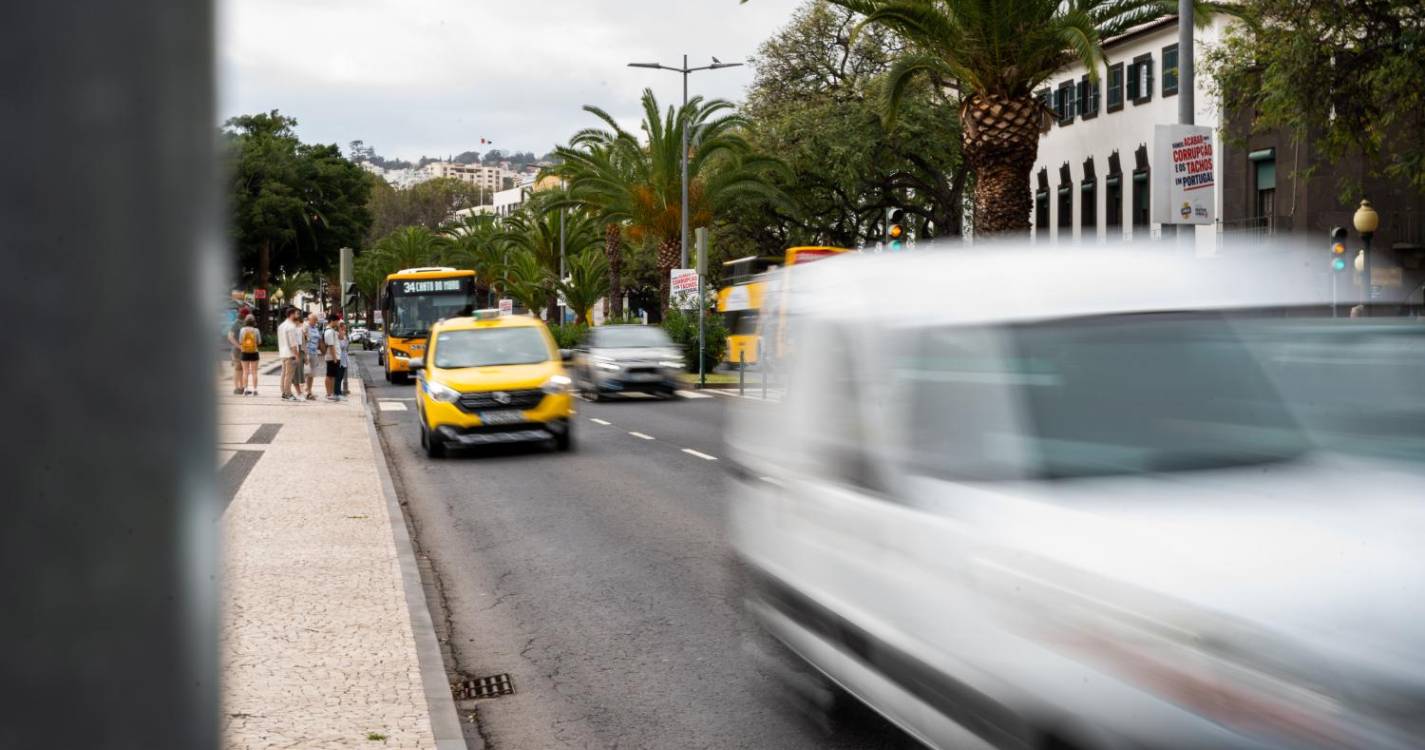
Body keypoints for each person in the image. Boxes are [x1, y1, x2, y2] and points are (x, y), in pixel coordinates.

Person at [277, 307, 302, 401]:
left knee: (284, 374)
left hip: (283, 353)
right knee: (289, 375)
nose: (298, 315)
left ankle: (283, 392)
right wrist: (297, 355)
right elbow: (293, 343)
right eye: (297, 313)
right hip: (290, 354)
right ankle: (288, 394)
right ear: (291, 314)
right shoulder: (291, 326)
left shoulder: (282, 325)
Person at [225, 306, 251, 395]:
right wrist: (239, 346)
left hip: (245, 350)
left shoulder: (245, 323)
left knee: (243, 369)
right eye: (248, 314)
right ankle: (237, 388)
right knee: (238, 369)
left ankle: (242, 387)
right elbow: (230, 336)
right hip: (237, 350)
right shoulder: (236, 323)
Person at [238, 314, 261, 395]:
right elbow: (259, 342)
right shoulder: (256, 330)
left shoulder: (242, 330)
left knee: (245, 372)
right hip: (254, 352)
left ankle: (245, 390)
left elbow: (240, 341)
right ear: (253, 321)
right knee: (254, 372)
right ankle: (255, 390)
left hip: (244, 352)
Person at [303, 312, 322, 401]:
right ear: (309, 319)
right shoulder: (305, 326)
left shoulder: (316, 328)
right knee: (306, 372)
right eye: (314, 320)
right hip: (307, 352)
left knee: (312, 373)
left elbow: (318, 339)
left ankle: (309, 390)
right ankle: (305, 391)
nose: (315, 322)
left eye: (316, 320)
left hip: (314, 352)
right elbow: (303, 339)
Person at [323, 318, 340, 401]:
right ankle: (328, 393)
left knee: (333, 376)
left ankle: (332, 393)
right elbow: (331, 345)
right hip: (331, 357)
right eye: (337, 321)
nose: (338, 323)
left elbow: (341, 337)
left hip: (335, 356)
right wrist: (334, 358)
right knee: (329, 375)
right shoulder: (329, 331)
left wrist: (339, 327)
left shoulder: (332, 331)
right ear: (332, 321)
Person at [336, 320, 351, 400]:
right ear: (340, 328)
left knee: (341, 375)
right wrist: (342, 337)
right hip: (340, 357)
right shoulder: (338, 336)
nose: (344, 330)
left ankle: (339, 390)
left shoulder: (344, 336)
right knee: (338, 375)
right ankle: (337, 391)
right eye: (343, 328)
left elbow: (346, 347)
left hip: (344, 357)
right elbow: (341, 346)